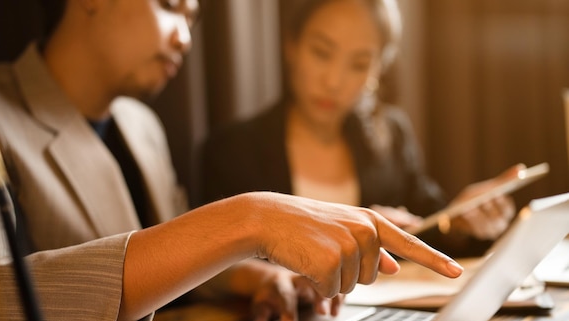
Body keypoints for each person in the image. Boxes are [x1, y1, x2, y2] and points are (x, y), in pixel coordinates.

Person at [0, 0, 464, 321]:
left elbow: (179, 266)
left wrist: (259, 276)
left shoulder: (142, 126)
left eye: (193, 19)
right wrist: (251, 219)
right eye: (170, 6)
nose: (185, 38)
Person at [200, 0, 519, 257]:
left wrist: (459, 221)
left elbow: (429, 230)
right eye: (322, 53)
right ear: (291, 46)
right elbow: (214, 265)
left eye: (358, 64)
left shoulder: (391, 136)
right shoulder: (232, 149)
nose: (333, 81)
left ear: (378, 70)